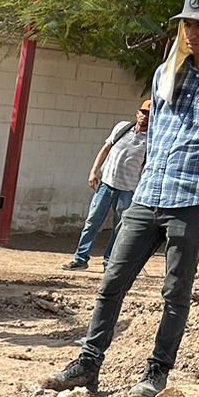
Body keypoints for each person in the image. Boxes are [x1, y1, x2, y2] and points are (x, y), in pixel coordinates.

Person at [42, 0, 199, 397]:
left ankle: (155, 375)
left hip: (195, 198)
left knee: (176, 292)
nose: (191, 33)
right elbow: (156, 130)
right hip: (149, 193)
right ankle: (88, 365)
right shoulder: (166, 71)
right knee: (112, 279)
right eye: (186, 25)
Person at [62, 100, 150, 271]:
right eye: (143, 112)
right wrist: (94, 171)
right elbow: (106, 148)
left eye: (149, 114)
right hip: (106, 184)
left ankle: (109, 262)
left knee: (120, 228)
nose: (144, 117)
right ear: (137, 113)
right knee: (92, 222)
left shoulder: (152, 140)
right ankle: (80, 259)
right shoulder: (122, 128)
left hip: (128, 190)